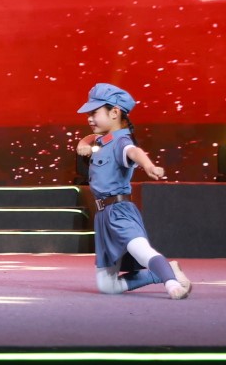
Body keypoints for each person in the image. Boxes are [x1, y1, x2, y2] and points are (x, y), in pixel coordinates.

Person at [74, 82, 190, 299]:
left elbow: (134, 151)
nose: (89, 119)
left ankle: (171, 283)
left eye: (94, 113)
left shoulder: (121, 141)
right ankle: (167, 271)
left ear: (115, 113)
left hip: (119, 211)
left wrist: (149, 166)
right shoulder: (104, 140)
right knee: (107, 285)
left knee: (142, 251)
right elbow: (92, 139)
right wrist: (84, 142)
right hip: (103, 217)